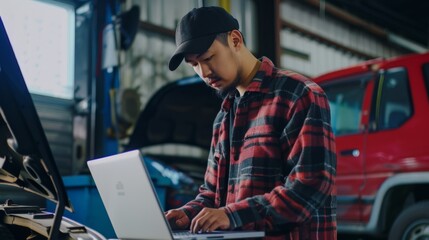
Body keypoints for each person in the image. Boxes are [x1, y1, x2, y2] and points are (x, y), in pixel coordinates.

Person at [166, 6, 336, 240]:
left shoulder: (298, 95)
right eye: (193, 64)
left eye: (208, 58)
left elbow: (309, 187)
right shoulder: (224, 116)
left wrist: (232, 215)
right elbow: (212, 194)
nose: (203, 72)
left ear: (235, 40)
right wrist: (188, 213)